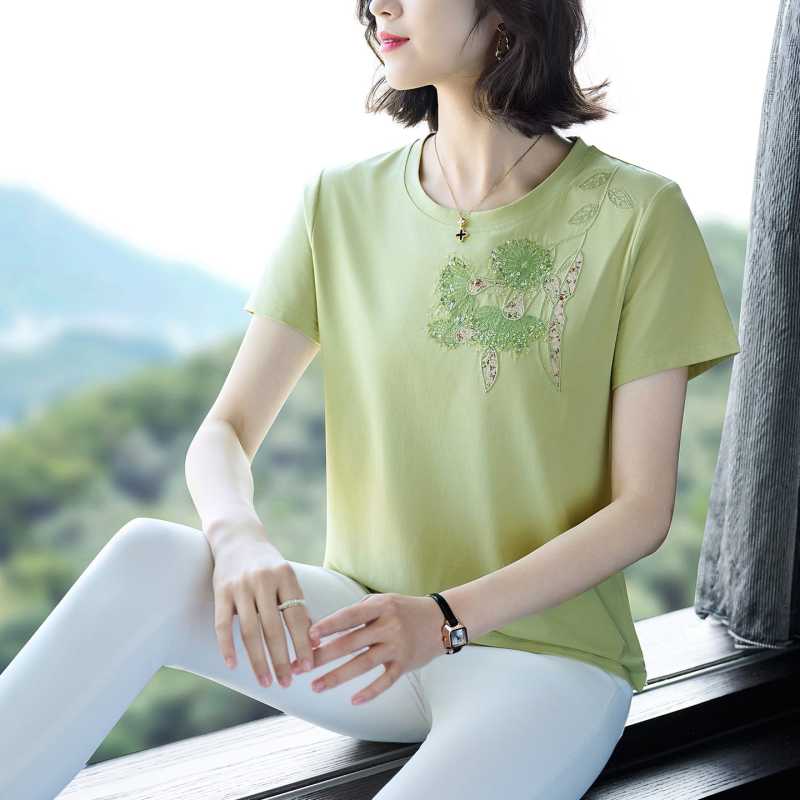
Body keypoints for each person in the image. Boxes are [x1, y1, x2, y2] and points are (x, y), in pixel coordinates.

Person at [0, 1, 742, 798]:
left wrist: (444, 617)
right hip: (366, 637)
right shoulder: (338, 203)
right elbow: (224, 431)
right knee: (149, 559)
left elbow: (641, 511)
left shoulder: (638, 216)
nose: (379, 4)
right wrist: (239, 537)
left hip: (546, 664)